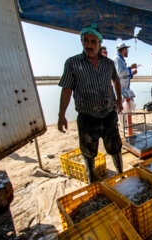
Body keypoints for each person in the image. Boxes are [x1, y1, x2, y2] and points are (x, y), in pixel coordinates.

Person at [57, 23, 124, 184]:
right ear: (81, 41)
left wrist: (119, 99)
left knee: (115, 147)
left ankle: (121, 174)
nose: (89, 45)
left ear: (100, 44)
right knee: (88, 153)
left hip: (108, 114)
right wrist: (61, 115)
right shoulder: (72, 63)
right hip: (87, 118)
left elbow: (116, 81)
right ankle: (92, 182)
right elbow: (66, 90)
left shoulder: (108, 63)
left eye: (93, 42)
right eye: (86, 41)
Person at [113, 43, 138, 129]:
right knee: (121, 106)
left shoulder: (121, 60)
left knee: (128, 105)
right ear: (123, 50)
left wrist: (131, 73)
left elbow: (124, 74)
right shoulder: (117, 59)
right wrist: (130, 69)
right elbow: (119, 73)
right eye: (127, 50)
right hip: (120, 88)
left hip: (125, 88)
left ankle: (126, 123)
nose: (127, 51)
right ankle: (122, 125)